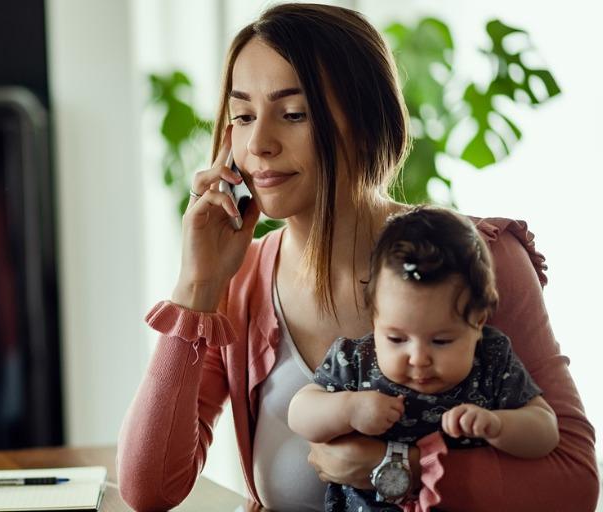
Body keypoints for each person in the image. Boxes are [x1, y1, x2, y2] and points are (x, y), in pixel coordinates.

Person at [116, 3, 598, 511]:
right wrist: (197, 286)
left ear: (366, 122)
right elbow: (148, 490)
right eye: (242, 115)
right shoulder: (240, 284)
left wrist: (395, 468)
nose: (258, 144)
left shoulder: (478, 258)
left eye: (294, 113)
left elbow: (574, 482)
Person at [287, 206, 559, 511]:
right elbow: (299, 412)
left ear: (479, 322)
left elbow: (545, 431)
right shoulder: (358, 361)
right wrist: (348, 409)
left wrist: (500, 425)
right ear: (375, 318)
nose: (418, 358)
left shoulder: (490, 362)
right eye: (396, 339)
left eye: (441, 341)